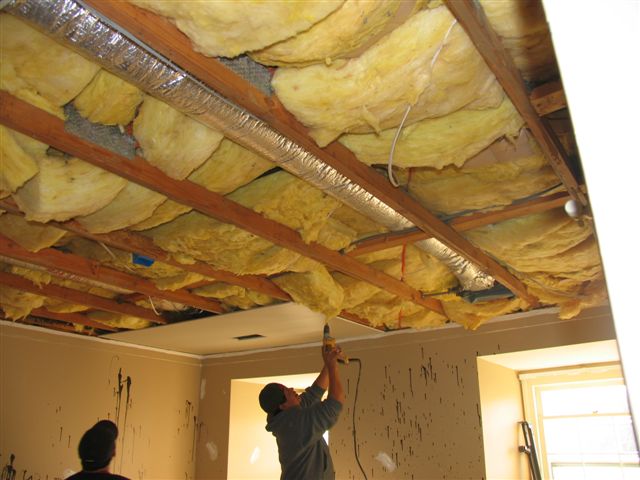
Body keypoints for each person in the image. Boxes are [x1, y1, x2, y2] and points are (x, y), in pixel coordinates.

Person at [259, 345, 345, 480]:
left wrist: (329, 363)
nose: (292, 389)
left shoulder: (288, 416)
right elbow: (335, 403)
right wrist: (332, 366)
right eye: (287, 392)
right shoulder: (296, 424)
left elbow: (314, 393)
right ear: (283, 405)